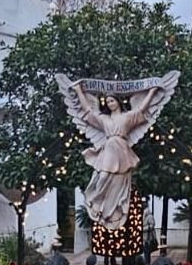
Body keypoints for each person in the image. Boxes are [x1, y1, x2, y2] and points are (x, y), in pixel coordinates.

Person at [56, 73, 179, 230]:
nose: (110, 103)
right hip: (108, 150)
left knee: (119, 183)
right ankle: (95, 201)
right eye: (107, 101)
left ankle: (114, 211)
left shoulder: (127, 117)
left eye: (112, 100)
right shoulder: (104, 119)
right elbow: (88, 112)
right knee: (103, 177)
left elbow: (142, 109)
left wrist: (152, 91)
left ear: (118, 101)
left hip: (121, 151)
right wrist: (79, 90)